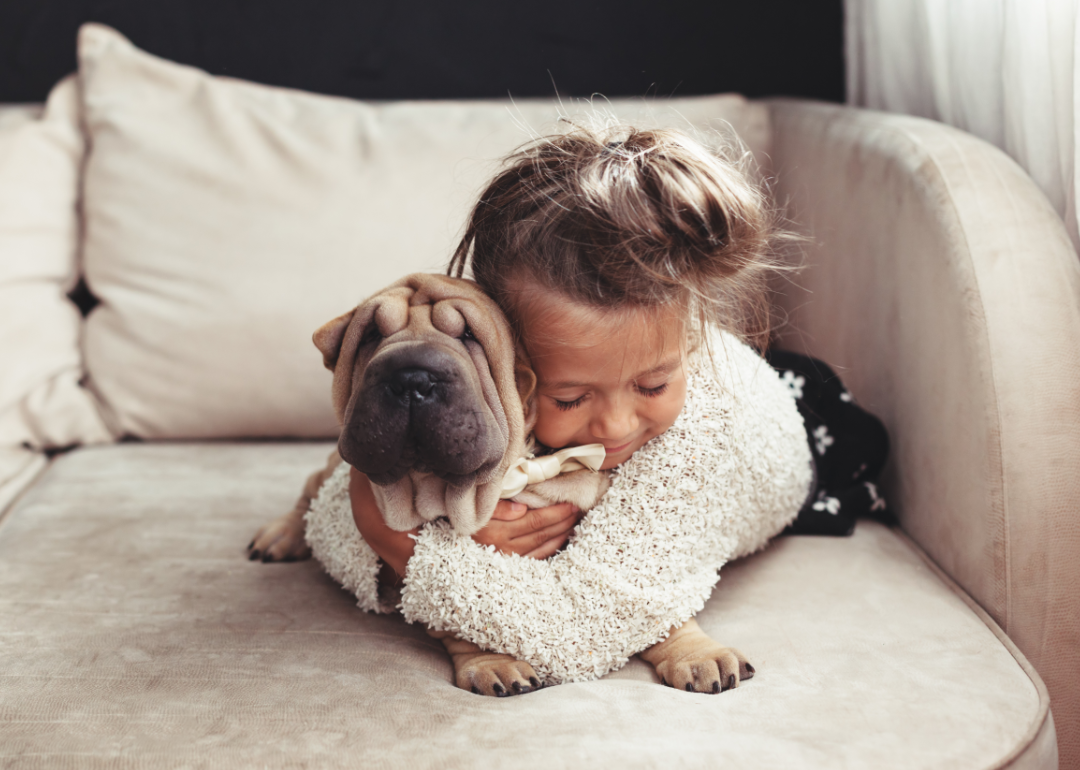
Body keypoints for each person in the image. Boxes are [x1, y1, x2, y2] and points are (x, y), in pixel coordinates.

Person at [349, 122, 815, 691]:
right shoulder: (491, 390)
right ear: (505, 360)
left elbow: (588, 623)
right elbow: (348, 493)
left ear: (689, 339)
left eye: (651, 386)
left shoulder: (701, 431)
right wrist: (366, 489)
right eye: (568, 397)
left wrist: (392, 536)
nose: (616, 426)